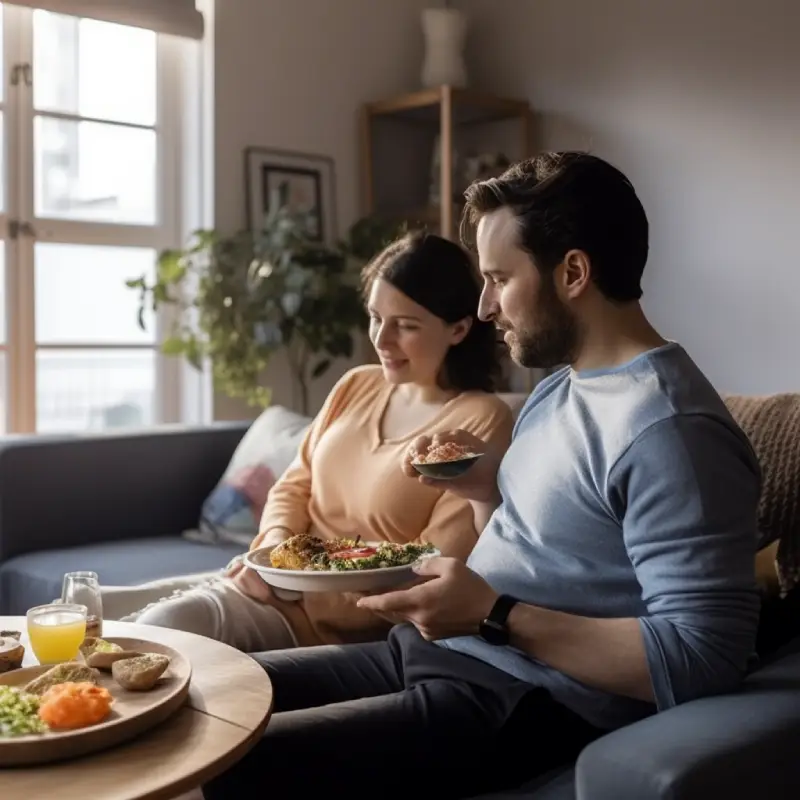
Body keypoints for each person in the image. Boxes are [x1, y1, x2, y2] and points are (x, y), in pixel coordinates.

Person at [202, 152, 761, 800]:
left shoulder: (671, 429)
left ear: (574, 272)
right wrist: (478, 487)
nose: (485, 307)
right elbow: (538, 549)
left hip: (524, 699)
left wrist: (494, 615)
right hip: (437, 653)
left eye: (499, 278)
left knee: (222, 762)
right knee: (206, 696)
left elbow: (702, 659)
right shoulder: (561, 388)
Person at [135, 231, 513, 652]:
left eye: (405, 326)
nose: (382, 341)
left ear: (459, 329)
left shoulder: (480, 420)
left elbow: (431, 569)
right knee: (125, 624)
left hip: (340, 628)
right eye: (375, 318)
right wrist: (275, 554)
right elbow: (295, 485)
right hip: (274, 588)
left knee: (158, 632)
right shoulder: (357, 384)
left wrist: (298, 585)